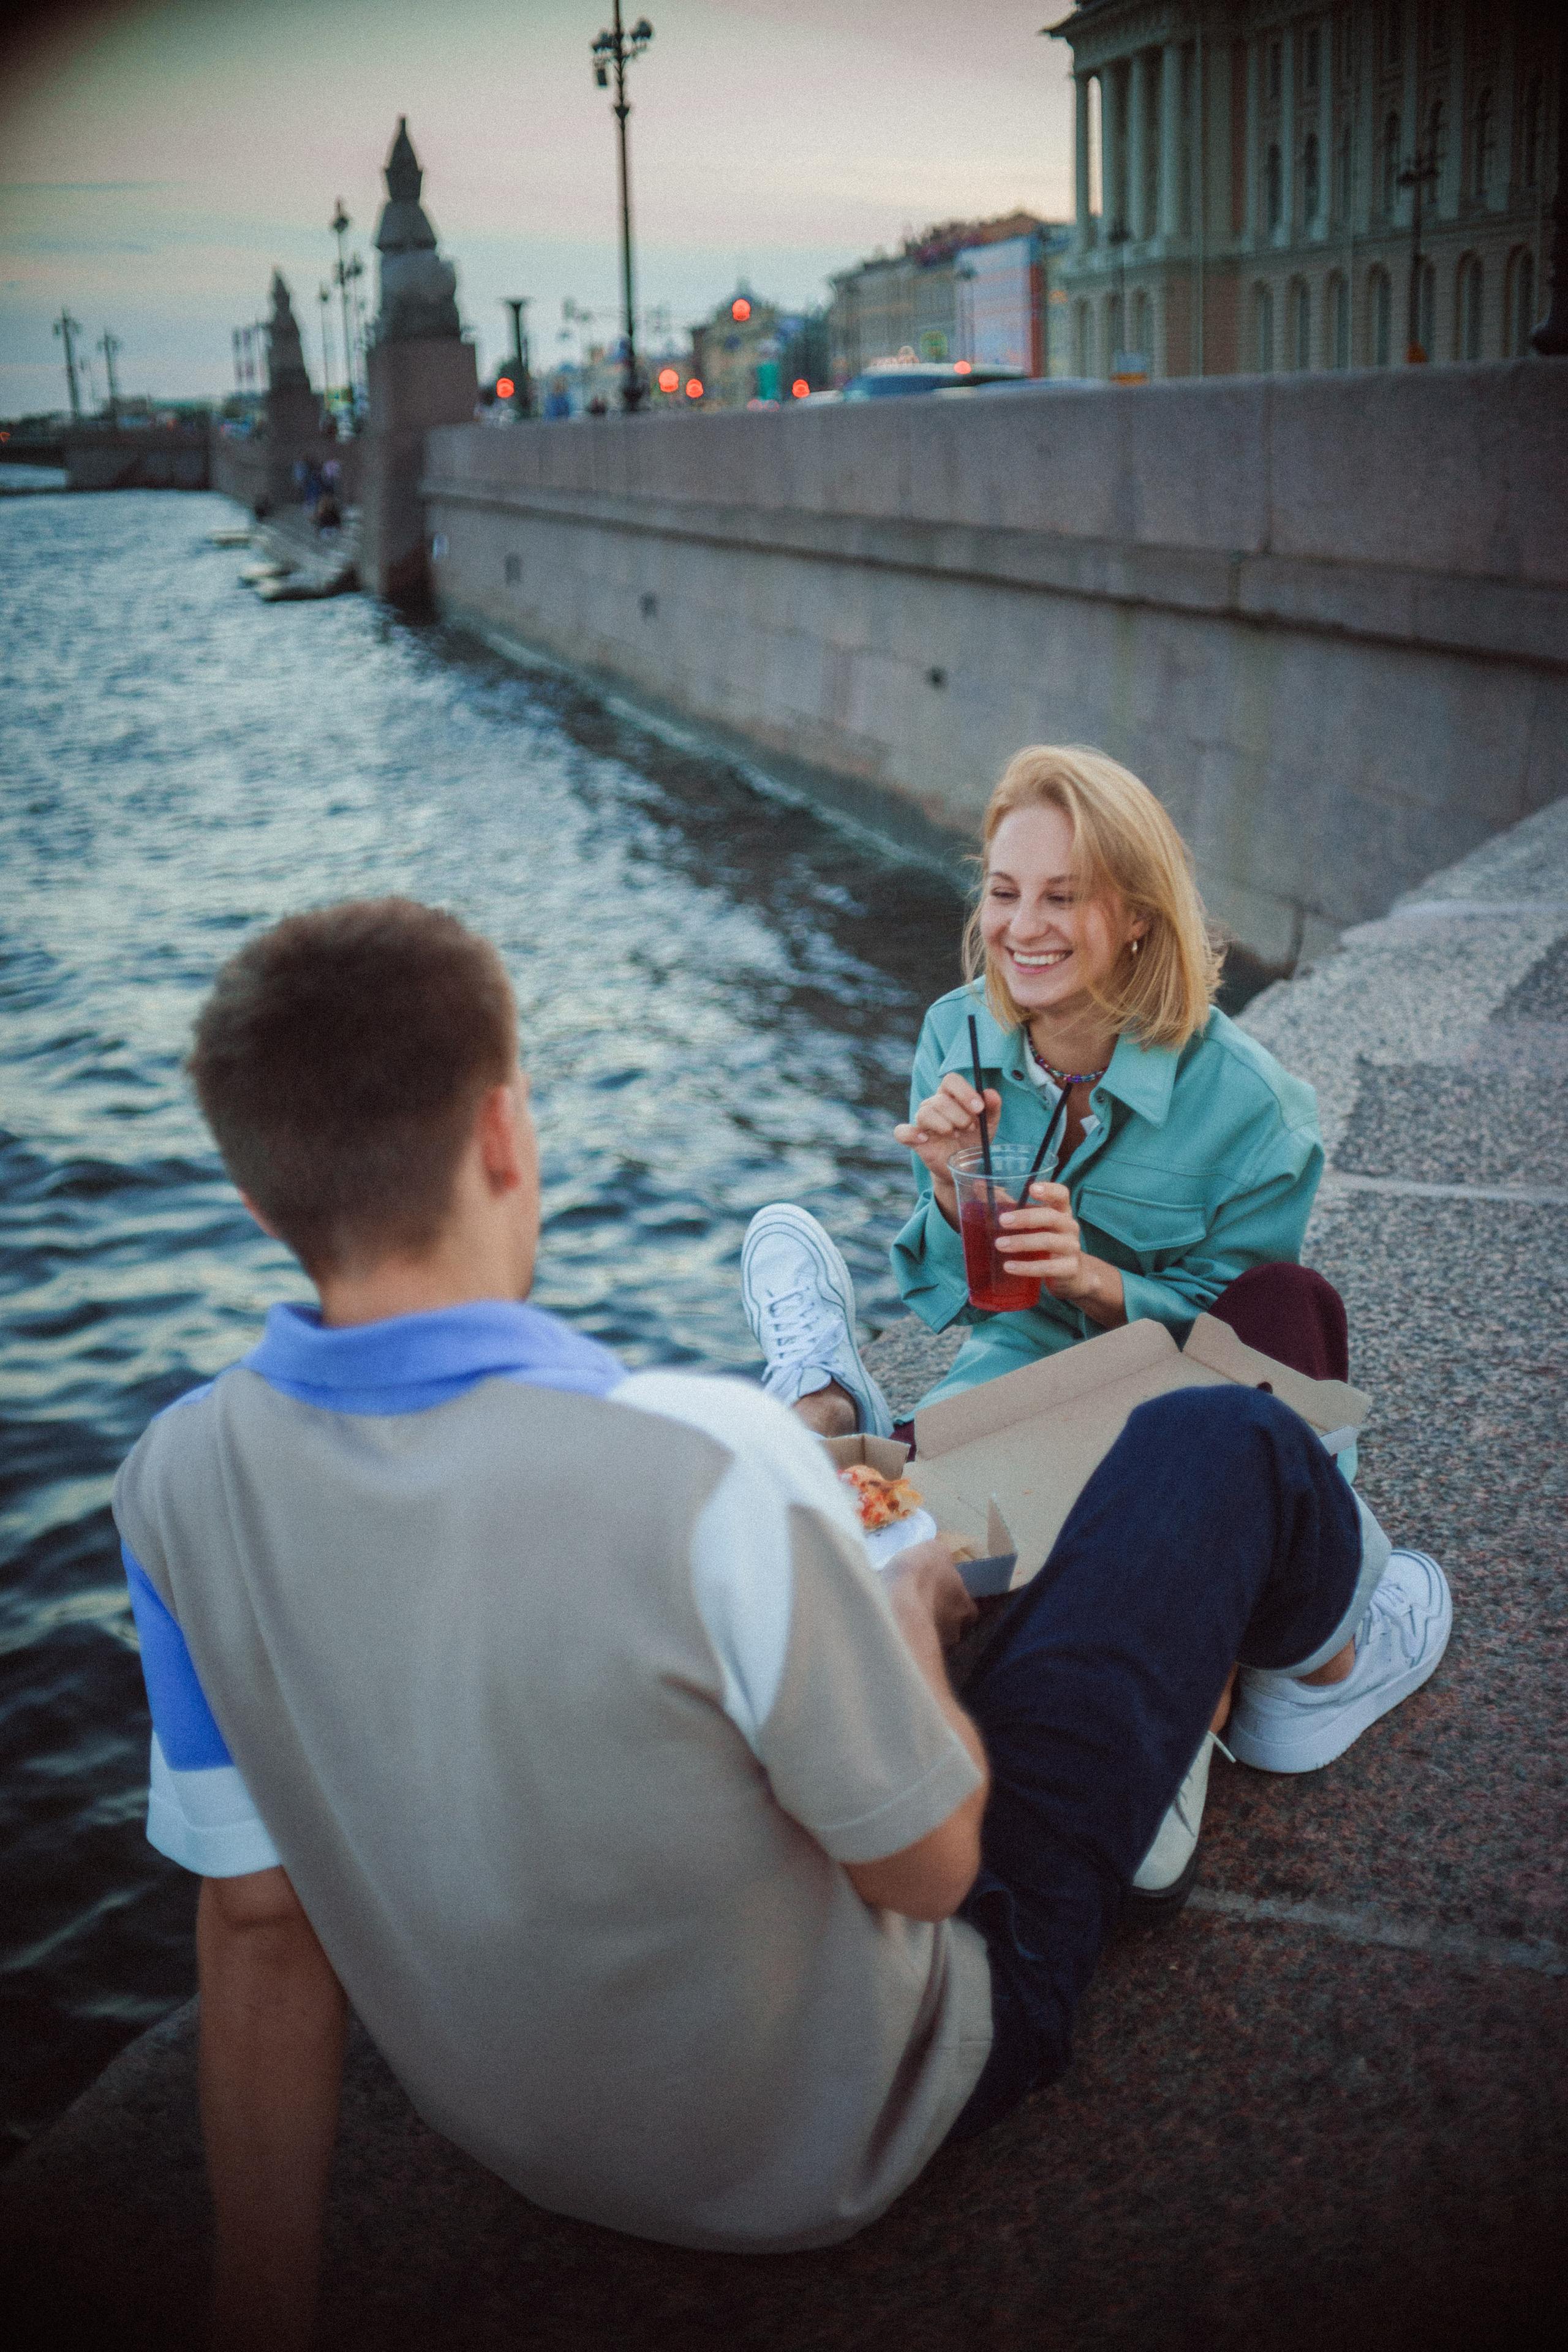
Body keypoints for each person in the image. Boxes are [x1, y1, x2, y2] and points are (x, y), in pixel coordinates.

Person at [113, 899, 1450, 2348]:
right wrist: (894, 1616)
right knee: (1212, 1445)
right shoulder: (694, 1460)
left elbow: (253, 1919)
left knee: (813, 1563)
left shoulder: (175, 1476)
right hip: (851, 2120)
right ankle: (1318, 1666)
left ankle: (828, 1399)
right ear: (506, 1135)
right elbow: (931, 1869)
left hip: (507, 2127)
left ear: (259, 1201)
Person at [741, 744, 1345, 1449]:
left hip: (1182, 1403)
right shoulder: (953, 1035)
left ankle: (844, 1409)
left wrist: (1090, 1280)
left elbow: (1255, 1341)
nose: (1021, 928)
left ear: (1139, 917)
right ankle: (832, 1398)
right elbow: (958, 1306)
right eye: (1004, 893)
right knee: (858, 1510)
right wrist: (950, 1191)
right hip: (1012, 1377)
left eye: (1061, 897)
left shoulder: (1257, 1110)